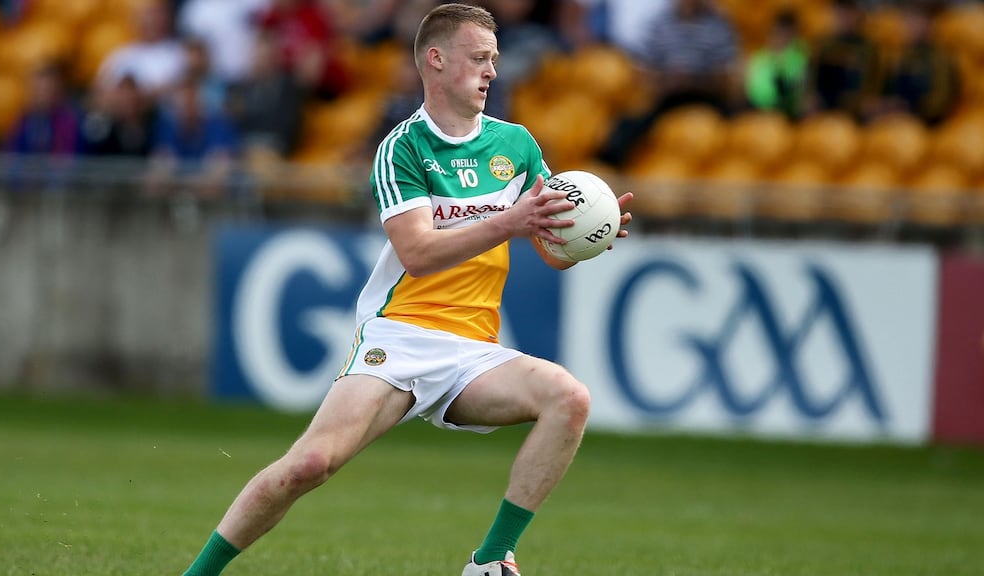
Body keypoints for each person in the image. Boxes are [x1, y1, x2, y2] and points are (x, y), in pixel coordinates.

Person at [180, 4, 633, 575]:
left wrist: (587, 233)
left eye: (493, 58)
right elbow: (417, 254)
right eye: (479, 58)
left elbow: (545, 244)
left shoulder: (516, 144)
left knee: (570, 400)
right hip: (400, 338)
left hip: (473, 350)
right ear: (436, 61)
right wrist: (507, 222)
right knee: (309, 465)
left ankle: (490, 561)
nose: (493, 70)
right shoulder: (404, 147)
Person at [595, 0, 741, 168]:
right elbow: (645, 69)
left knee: (741, 123)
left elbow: (726, 73)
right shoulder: (660, 23)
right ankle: (610, 165)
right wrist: (667, 80)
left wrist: (697, 80)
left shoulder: (717, 25)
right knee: (629, 125)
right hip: (669, 95)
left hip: (707, 95)